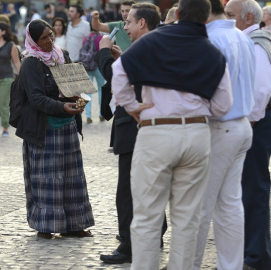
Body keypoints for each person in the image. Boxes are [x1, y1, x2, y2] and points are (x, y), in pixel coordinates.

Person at [112, 0, 233, 268]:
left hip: (157, 131)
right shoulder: (212, 51)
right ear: (206, 20)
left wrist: (132, 106)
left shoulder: (152, 41)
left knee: (146, 215)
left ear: (177, 14)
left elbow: (118, 70)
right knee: (187, 218)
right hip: (196, 133)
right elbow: (224, 105)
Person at [98, 3, 166, 265]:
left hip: (134, 125)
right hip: (149, 124)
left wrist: (104, 53)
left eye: (129, 22)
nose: (124, 26)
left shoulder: (143, 46)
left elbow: (117, 79)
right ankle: (155, 234)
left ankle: (128, 245)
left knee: (127, 189)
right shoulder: (158, 44)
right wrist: (120, 58)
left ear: (142, 23)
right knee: (151, 184)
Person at [17, 19, 94, 239]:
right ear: (34, 40)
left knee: (72, 177)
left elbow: (75, 85)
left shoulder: (63, 56)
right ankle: (45, 225)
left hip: (67, 126)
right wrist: (62, 106)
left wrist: (79, 97)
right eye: (44, 38)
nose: (50, 41)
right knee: (46, 178)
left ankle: (75, 224)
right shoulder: (30, 63)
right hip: (44, 128)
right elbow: (36, 98)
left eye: (51, 35)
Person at [193, 0, 256, 269]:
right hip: (240, 124)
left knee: (200, 205)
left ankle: (188, 264)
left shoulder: (213, 40)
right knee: (229, 204)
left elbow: (205, 91)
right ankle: (230, 265)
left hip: (221, 126)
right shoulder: (241, 37)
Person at [225, 1, 271, 269]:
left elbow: (261, 90)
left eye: (231, 15)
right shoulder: (248, 39)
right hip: (254, 121)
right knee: (246, 188)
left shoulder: (254, 41)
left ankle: (257, 256)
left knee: (253, 188)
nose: (227, 19)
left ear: (248, 17)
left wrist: (250, 122)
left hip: (257, 122)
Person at [0, 22, 21, 137]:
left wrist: (21, 77)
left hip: (6, 78)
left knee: (4, 104)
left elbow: (16, 61)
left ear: (3, 31)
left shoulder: (10, 45)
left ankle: (5, 127)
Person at [81, 27, 105, 124]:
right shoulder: (101, 38)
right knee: (101, 90)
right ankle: (101, 114)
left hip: (87, 66)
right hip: (98, 67)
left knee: (87, 91)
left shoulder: (85, 38)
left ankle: (88, 115)